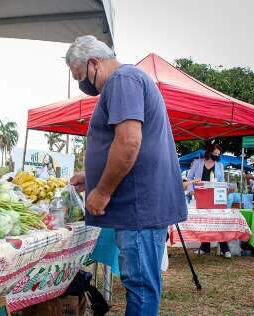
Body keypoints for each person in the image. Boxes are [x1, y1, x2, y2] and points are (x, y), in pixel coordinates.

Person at [66, 35, 187, 316]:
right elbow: (126, 143)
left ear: (94, 63)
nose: (82, 84)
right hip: (139, 204)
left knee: (141, 286)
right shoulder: (128, 80)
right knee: (141, 284)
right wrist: (92, 176)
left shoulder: (122, 80)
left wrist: (102, 191)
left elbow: (129, 142)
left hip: (138, 207)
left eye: (80, 76)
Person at [187, 144, 231, 258]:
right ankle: (205, 247)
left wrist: (226, 189)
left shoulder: (220, 165)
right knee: (204, 222)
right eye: (215, 153)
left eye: (218, 154)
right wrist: (191, 190)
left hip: (215, 197)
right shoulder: (197, 162)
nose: (216, 155)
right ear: (209, 152)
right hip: (200, 195)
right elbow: (190, 177)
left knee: (218, 221)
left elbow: (222, 181)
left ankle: (224, 248)